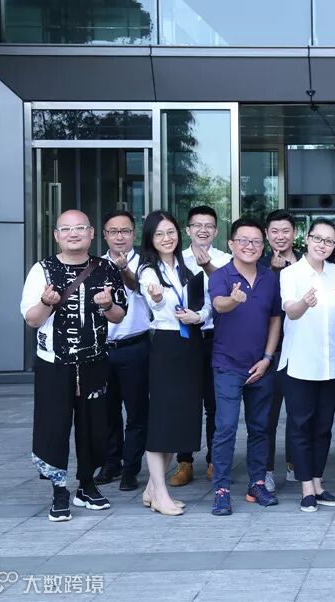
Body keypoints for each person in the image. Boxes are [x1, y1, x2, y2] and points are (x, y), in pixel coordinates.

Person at [20, 210, 127, 522]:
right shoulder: (42, 270)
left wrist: (107, 305)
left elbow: (119, 315)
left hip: (94, 361)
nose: (73, 234)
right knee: (53, 426)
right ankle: (58, 491)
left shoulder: (106, 269)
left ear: (91, 233)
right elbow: (32, 320)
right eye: (66, 229)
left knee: (94, 425)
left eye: (80, 228)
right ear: (56, 235)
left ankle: (87, 485)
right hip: (54, 363)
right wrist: (47, 302)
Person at [136, 210, 211, 516]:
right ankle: (161, 495)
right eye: (159, 234)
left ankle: (152, 490)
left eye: (170, 232)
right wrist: (157, 298)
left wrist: (199, 316)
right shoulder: (147, 271)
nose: (166, 239)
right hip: (166, 346)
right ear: (150, 239)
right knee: (162, 421)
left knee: (180, 420)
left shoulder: (188, 266)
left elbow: (206, 303)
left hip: (191, 343)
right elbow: (155, 303)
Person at [208, 218, 283, 516]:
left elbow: (276, 318)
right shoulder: (221, 275)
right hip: (228, 364)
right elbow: (219, 305)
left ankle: (257, 483)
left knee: (260, 427)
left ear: (262, 246)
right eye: (243, 240)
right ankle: (222, 490)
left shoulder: (269, 278)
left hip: (261, 365)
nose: (249, 246)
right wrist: (233, 299)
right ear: (231, 244)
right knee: (226, 427)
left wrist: (267, 358)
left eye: (255, 242)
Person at [279, 219, 335, 513]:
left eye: (329, 241)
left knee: (323, 427)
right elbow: (290, 311)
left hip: (332, 365)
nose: (323, 245)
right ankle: (306, 487)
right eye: (317, 239)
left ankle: (319, 485)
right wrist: (304, 303)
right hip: (300, 363)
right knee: (300, 426)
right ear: (306, 240)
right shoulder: (290, 273)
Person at [172, 205, 232, 487]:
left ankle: (213, 461)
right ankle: (184, 462)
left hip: (215, 336)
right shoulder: (175, 259)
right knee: (185, 400)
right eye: (197, 225)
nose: (203, 230)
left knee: (214, 403)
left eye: (209, 225)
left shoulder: (226, 260)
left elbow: (228, 293)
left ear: (216, 231)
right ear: (188, 230)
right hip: (184, 336)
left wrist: (209, 266)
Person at [94, 210, 149, 493]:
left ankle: (131, 468)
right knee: (106, 411)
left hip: (135, 347)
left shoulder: (145, 264)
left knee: (137, 411)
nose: (120, 237)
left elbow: (138, 288)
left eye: (125, 231)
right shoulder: (94, 266)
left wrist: (124, 268)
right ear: (104, 235)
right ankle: (111, 463)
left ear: (134, 234)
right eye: (113, 231)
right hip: (102, 349)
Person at [260, 209, 300, 492]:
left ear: (294, 233)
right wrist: (274, 272)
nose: (280, 236)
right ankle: (266, 470)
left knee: (299, 413)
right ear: (266, 234)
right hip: (271, 350)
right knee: (268, 416)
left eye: (285, 231)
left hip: (301, 347)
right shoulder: (259, 264)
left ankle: (296, 464)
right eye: (274, 231)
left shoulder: (307, 263)